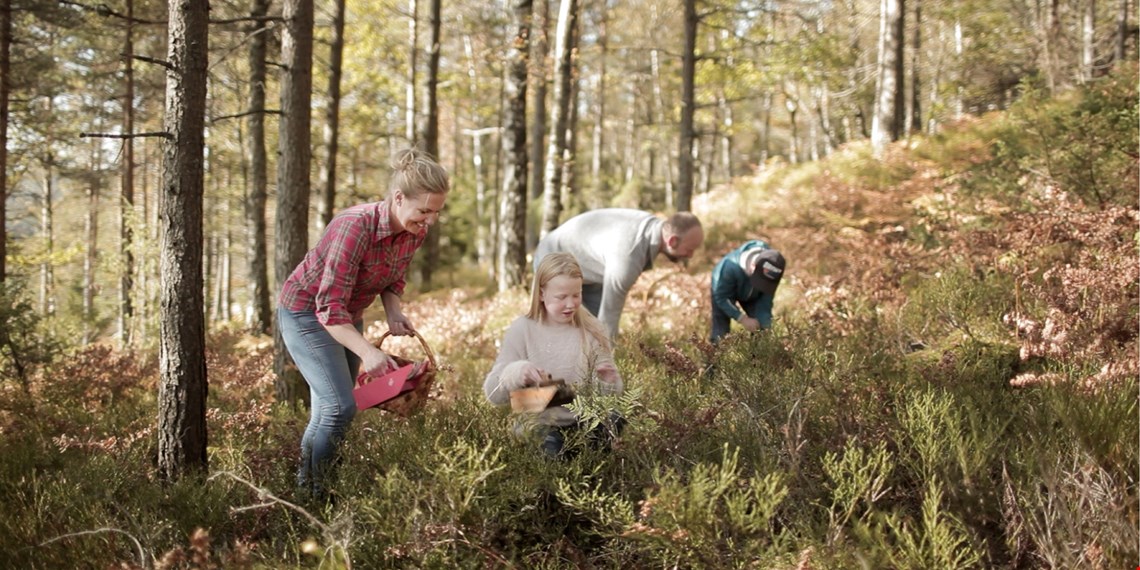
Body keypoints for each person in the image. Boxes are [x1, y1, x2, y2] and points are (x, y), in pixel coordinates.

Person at [277, 148, 450, 502]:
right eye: (424, 211)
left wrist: (393, 311)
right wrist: (367, 351)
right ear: (398, 198)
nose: (430, 221)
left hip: (346, 316)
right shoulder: (353, 226)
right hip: (308, 313)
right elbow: (328, 308)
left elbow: (392, 277)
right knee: (339, 406)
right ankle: (320, 497)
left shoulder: (414, 230)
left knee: (329, 408)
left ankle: (304, 487)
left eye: (436, 212)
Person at [483, 252, 624, 458]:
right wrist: (517, 372)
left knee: (617, 418)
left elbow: (610, 393)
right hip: (539, 424)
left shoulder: (592, 329)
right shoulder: (523, 329)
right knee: (553, 452)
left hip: (583, 421)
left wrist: (608, 381)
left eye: (576, 295)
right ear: (541, 294)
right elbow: (492, 394)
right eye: (561, 297)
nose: (571, 304)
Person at [532, 208, 704, 338]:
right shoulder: (629, 255)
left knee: (590, 332)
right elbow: (609, 316)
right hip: (552, 260)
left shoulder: (651, 228)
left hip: (587, 272)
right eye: (689, 250)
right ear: (672, 241)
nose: (690, 256)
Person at [709, 240, 786, 343]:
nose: (763, 285)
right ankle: (716, 354)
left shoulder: (773, 264)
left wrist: (765, 325)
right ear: (752, 266)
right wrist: (742, 319)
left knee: (762, 326)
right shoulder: (728, 269)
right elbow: (722, 298)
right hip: (724, 293)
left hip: (753, 295)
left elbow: (766, 300)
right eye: (760, 280)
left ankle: (759, 356)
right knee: (720, 330)